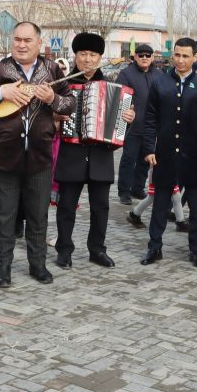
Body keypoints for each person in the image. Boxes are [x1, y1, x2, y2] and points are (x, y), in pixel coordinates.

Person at [0, 22, 75, 288]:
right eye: (17, 39)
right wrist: (2, 92)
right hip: (4, 156)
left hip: (39, 157)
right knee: (4, 215)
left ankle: (37, 265)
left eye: (28, 40)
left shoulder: (51, 69)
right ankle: (3, 268)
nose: (22, 45)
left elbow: (69, 103)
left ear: (39, 43)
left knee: (39, 215)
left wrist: (52, 99)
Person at [54, 33, 134, 269]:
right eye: (83, 54)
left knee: (101, 208)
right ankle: (64, 250)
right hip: (71, 154)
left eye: (92, 55)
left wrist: (128, 118)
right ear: (75, 56)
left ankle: (97, 250)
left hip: (101, 155)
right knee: (67, 206)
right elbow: (51, 119)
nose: (87, 60)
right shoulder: (63, 85)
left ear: (100, 58)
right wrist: (57, 118)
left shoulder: (113, 85)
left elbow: (122, 120)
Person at [140, 38, 197, 266]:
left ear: (195, 58)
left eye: (185, 56)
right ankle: (155, 247)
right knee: (160, 203)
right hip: (165, 153)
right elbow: (151, 117)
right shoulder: (160, 82)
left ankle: (196, 249)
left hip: (195, 155)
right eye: (177, 55)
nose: (180, 60)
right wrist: (148, 148)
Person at [116, 43, 157, 204]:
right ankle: (124, 192)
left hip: (151, 126)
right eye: (141, 55)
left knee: (145, 159)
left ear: (152, 57)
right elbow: (119, 97)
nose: (145, 58)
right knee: (129, 158)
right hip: (132, 126)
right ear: (135, 57)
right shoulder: (126, 74)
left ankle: (137, 188)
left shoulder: (159, 74)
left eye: (148, 55)